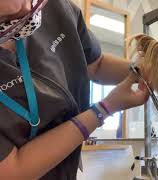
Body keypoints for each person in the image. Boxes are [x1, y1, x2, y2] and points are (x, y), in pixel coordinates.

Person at [0, 0, 149, 179]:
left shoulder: (57, 8)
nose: (24, 8)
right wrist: (103, 110)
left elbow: (96, 64)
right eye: (7, 16)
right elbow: (15, 170)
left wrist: (150, 73)